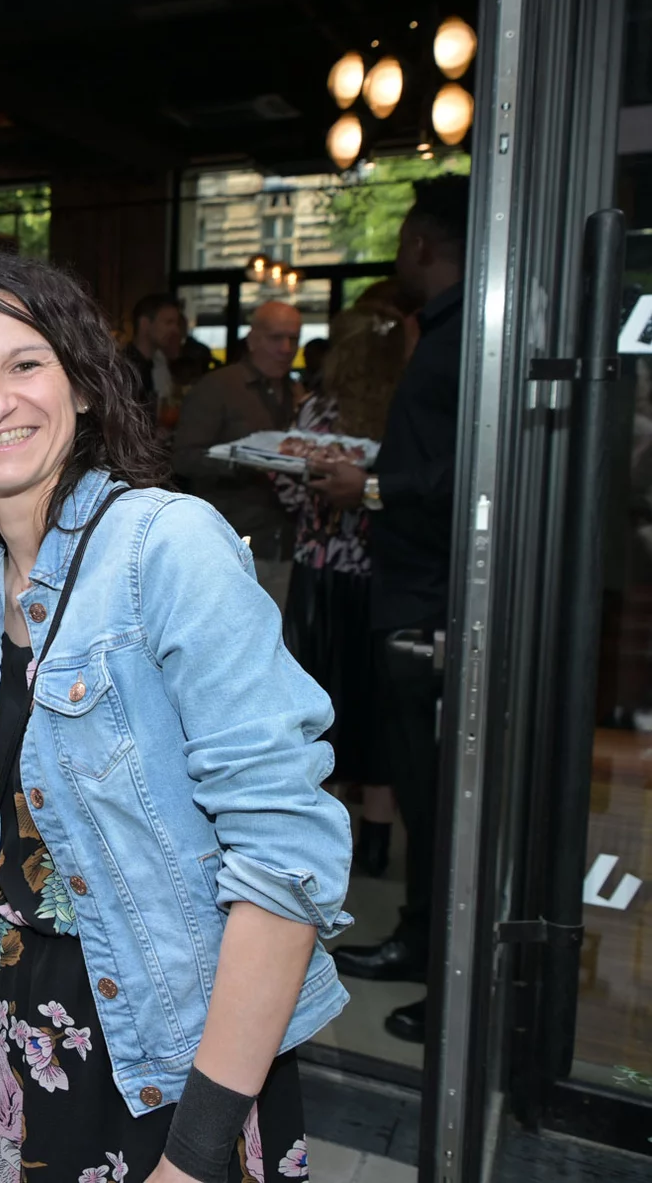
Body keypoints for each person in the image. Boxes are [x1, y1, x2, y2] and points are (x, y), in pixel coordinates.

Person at [0, 253, 351, 1183]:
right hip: (23, 1035)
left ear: (83, 384)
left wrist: (197, 1149)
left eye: (25, 363)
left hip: (182, 1059)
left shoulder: (166, 547)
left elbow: (285, 859)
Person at [308, 176, 471, 1046]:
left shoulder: (465, 338)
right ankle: (419, 935)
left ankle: (450, 967)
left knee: (439, 794)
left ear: (424, 243)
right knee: (415, 782)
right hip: (409, 585)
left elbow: (462, 473)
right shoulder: (439, 333)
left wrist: (369, 486)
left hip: (434, 595)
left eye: (406, 233)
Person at [273, 293, 410, 878]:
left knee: (317, 704)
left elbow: (288, 491)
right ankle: (377, 840)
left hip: (323, 574)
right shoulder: (404, 412)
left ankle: (319, 845)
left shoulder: (318, 414)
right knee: (378, 707)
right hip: (384, 577)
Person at [172, 300, 304, 605]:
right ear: (253, 339)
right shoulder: (218, 387)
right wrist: (243, 462)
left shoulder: (296, 391)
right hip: (232, 541)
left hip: (287, 542)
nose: (286, 348)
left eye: (293, 339)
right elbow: (183, 458)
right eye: (276, 338)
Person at [123, 292, 186, 428]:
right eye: (168, 322)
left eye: (176, 324)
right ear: (145, 324)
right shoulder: (126, 368)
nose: (175, 330)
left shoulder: (153, 363)